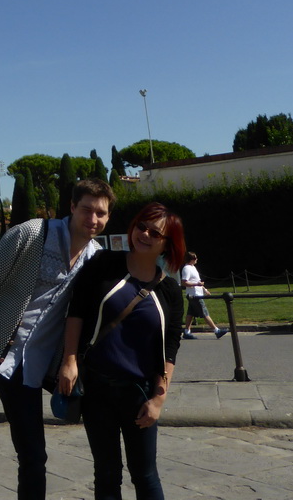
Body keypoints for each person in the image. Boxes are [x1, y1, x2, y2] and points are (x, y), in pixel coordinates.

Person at [0, 177, 115, 500]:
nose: (93, 219)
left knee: (33, 455)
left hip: (28, 365)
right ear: (71, 207)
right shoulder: (32, 233)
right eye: (86, 210)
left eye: (101, 213)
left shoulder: (94, 258)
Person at [59, 201, 186, 500]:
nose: (144, 234)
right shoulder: (104, 264)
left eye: (155, 233)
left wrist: (159, 398)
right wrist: (69, 361)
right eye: (141, 226)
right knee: (106, 472)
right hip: (97, 390)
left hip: (139, 393)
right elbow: (76, 312)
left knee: (145, 474)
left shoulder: (170, 291)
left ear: (167, 244)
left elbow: (170, 348)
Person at [181, 252, 227, 340]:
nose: (197, 259)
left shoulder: (192, 267)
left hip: (196, 294)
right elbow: (184, 282)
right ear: (191, 260)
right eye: (195, 258)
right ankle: (216, 331)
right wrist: (197, 284)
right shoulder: (186, 268)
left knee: (190, 313)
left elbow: (197, 281)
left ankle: (187, 332)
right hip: (194, 295)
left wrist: (204, 289)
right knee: (204, 313)